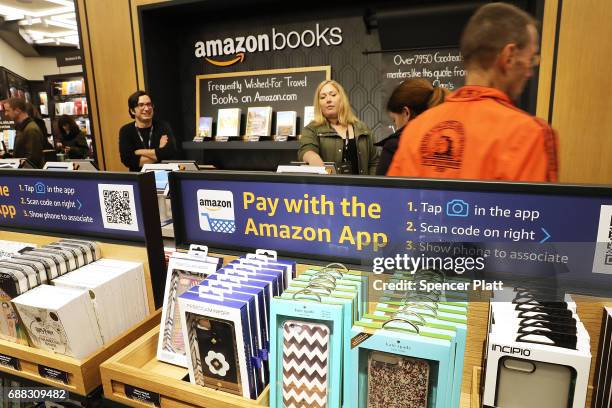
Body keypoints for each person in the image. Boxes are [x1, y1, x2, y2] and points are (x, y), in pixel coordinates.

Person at [388, 2, 559, 182]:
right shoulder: (529, 136)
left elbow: (394, 206)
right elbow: (535, 209)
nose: (530, 71)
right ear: (509, 56)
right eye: (531, 59)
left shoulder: (415, 130)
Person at [298, 80, 378, 175]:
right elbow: (306, 150)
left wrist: (370, 186)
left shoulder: (362, 129)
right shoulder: (311, 129)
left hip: (360, 189)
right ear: (319, 104)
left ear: (342, 99)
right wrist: (313, 157)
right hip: (328, 189)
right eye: (323, 97)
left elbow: (374, 162)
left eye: (333, 95)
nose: (328, 100)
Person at [376, 79, 448, 175]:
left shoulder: (395, 146)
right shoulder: (447, 143)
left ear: (406, 113)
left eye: (395, 120)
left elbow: (382, 188)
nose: (396, 127)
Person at [119, 90, 176, 171]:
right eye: (141, 105)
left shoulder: (163, 126)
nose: (146, 108)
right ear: (132, 111)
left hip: (162, 175)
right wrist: (158, 152)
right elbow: (127, 160)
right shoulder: (126, 130)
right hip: (138, 177)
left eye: (149, 104)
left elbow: (169, 152)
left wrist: (139, 151)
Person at [2, 98, 45, 168]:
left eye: (7, 111)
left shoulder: (31, 129)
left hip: (29, 177)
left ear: (17, 111)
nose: (6, 114)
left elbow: (32, 160)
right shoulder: (23, 128)